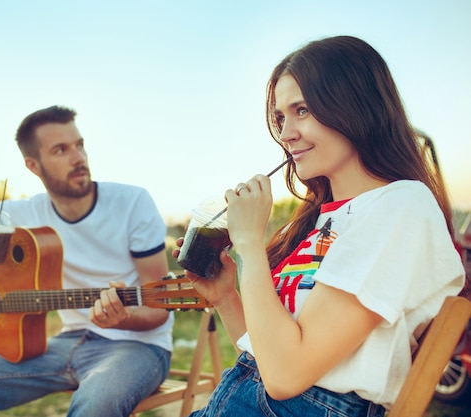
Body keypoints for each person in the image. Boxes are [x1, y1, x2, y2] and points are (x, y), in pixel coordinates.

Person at [174, 36, 465, 417]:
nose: (285, 133)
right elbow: (268, 359)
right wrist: (227, 298)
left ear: (357, 108)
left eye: (303, 110)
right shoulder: (321, 218)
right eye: (281, 116)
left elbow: (285, 377)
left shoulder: (401, 207)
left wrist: (248, 244)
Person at [0, 105, 173, 417]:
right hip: (66, 343)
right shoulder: (20, 216)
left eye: (79, 145)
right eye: (61, 150)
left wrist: (124, 317)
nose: (78, 158)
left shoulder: (132, 203)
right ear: (33, 165)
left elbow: (160, 307)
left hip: (137, 347)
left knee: (96, 404)